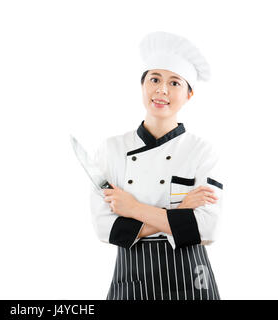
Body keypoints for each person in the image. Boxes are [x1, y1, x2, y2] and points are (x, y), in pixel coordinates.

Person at [89, 31, 223, 300]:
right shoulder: (112, 149)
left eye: (175, 83)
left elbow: (207, 227)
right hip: (131, 281)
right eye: (155, 79)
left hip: (191, 282)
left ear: (188, 95)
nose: (162, 90)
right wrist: (181, 211)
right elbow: (105, 228)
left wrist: (133, 209)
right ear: (142, 86)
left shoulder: (201, 151)